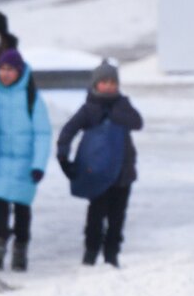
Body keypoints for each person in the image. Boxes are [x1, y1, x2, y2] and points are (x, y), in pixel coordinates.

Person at [56, 61, 144, 267]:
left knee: (117, 216)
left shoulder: (123, 105)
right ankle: (91, 250)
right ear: (95, 84)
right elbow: (68, 130)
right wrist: (63, 155)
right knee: (96, 213)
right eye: (104, 82)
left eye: (113, 82)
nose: (109, 86)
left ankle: (112, 254)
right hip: (96, 172)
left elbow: (137, 122)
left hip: (123, 172)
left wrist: (113, 114)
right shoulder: (89, 108)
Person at [0, 49, 51, 272]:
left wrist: (38, 165)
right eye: (2, 68)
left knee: (22, 210)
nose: (5, 73)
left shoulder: (31, 96)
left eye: (10, 69)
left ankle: (20, 249)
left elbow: (43, 133)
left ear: (19, 71)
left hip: (24, 164)